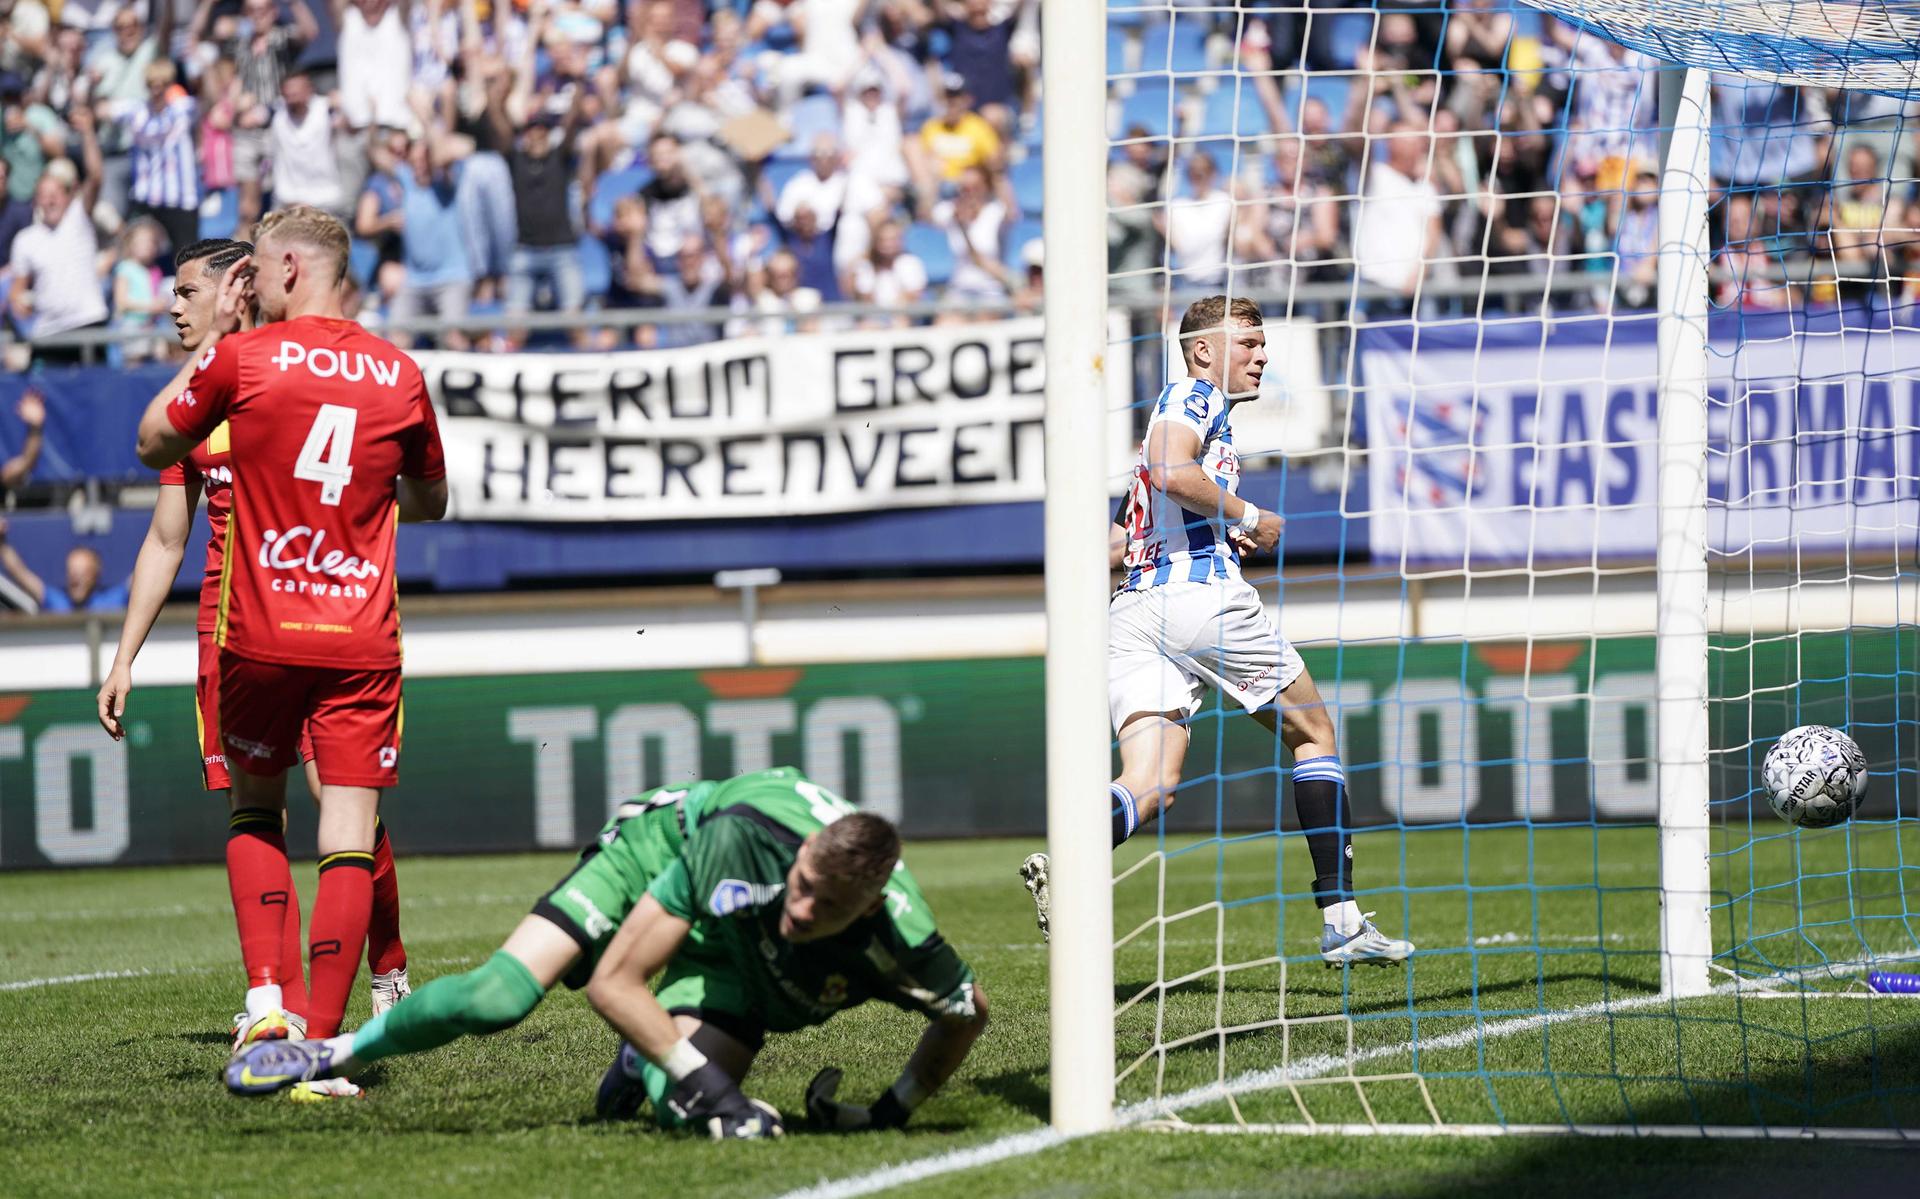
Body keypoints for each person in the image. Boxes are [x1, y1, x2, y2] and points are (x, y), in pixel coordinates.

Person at [224, 767, 988, 1143]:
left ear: (871, 906)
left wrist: (891, 1111)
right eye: (804, 883)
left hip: (728, 946)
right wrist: (719, 1091)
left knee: (681, 1112)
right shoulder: (743, 838)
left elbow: (967, 1012)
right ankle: (328, 1053)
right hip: (661, 851)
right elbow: (616, 982)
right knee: (499, 996)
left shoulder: (907, 935)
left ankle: (639, 1058)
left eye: (827, 907)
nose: (803, 909)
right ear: (807, 848)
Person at [134, 204, 448, 1059]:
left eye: (259, 268)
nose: (252, 282)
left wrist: (216, 343)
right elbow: (430, 501)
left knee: (255, 808)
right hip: (360, 634)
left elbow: (152, 439)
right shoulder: (398, 371)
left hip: (261, 628)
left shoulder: (244, 358)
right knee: (347, 829)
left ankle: (270, 1004)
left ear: (289, 270)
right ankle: (326, 1044)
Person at [1018, 295, 1415, 969]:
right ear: (1203, 350)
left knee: (1152, 782)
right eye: (1248, 344)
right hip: (1200, 603)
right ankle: (1342, 921)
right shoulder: (1193, 397)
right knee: (1314, 733)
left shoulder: (1186, 423)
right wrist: (1249, 515)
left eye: (1263, 345)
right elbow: (1174, 472)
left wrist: (1220, 526)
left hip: (1135, 613)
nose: (1261, 357)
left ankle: (1069, 862)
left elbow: (1119, 540)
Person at [0, 519, 129, 613]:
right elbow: (19, 572)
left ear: (96, 575)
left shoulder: (112, 601)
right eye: (72, 572)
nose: (76, 579)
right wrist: (2, 543)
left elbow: (137, 579)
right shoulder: (57, 602)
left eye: (82, 573)